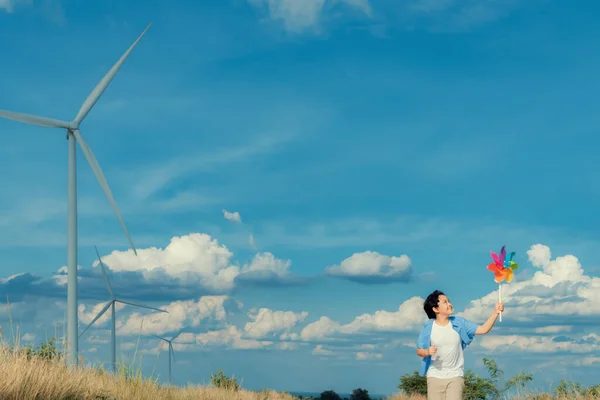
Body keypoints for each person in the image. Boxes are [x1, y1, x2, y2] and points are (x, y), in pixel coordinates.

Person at [416, 290, 504, 400]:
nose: (449, 304)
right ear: (435, 309)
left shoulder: (459, 323)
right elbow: (419, 351)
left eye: (449, 301)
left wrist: (495, 312)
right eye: (445, 302)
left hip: (455, 376)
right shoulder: (428, 327)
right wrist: (427, 352)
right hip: (434, 376)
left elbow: (483, 329)